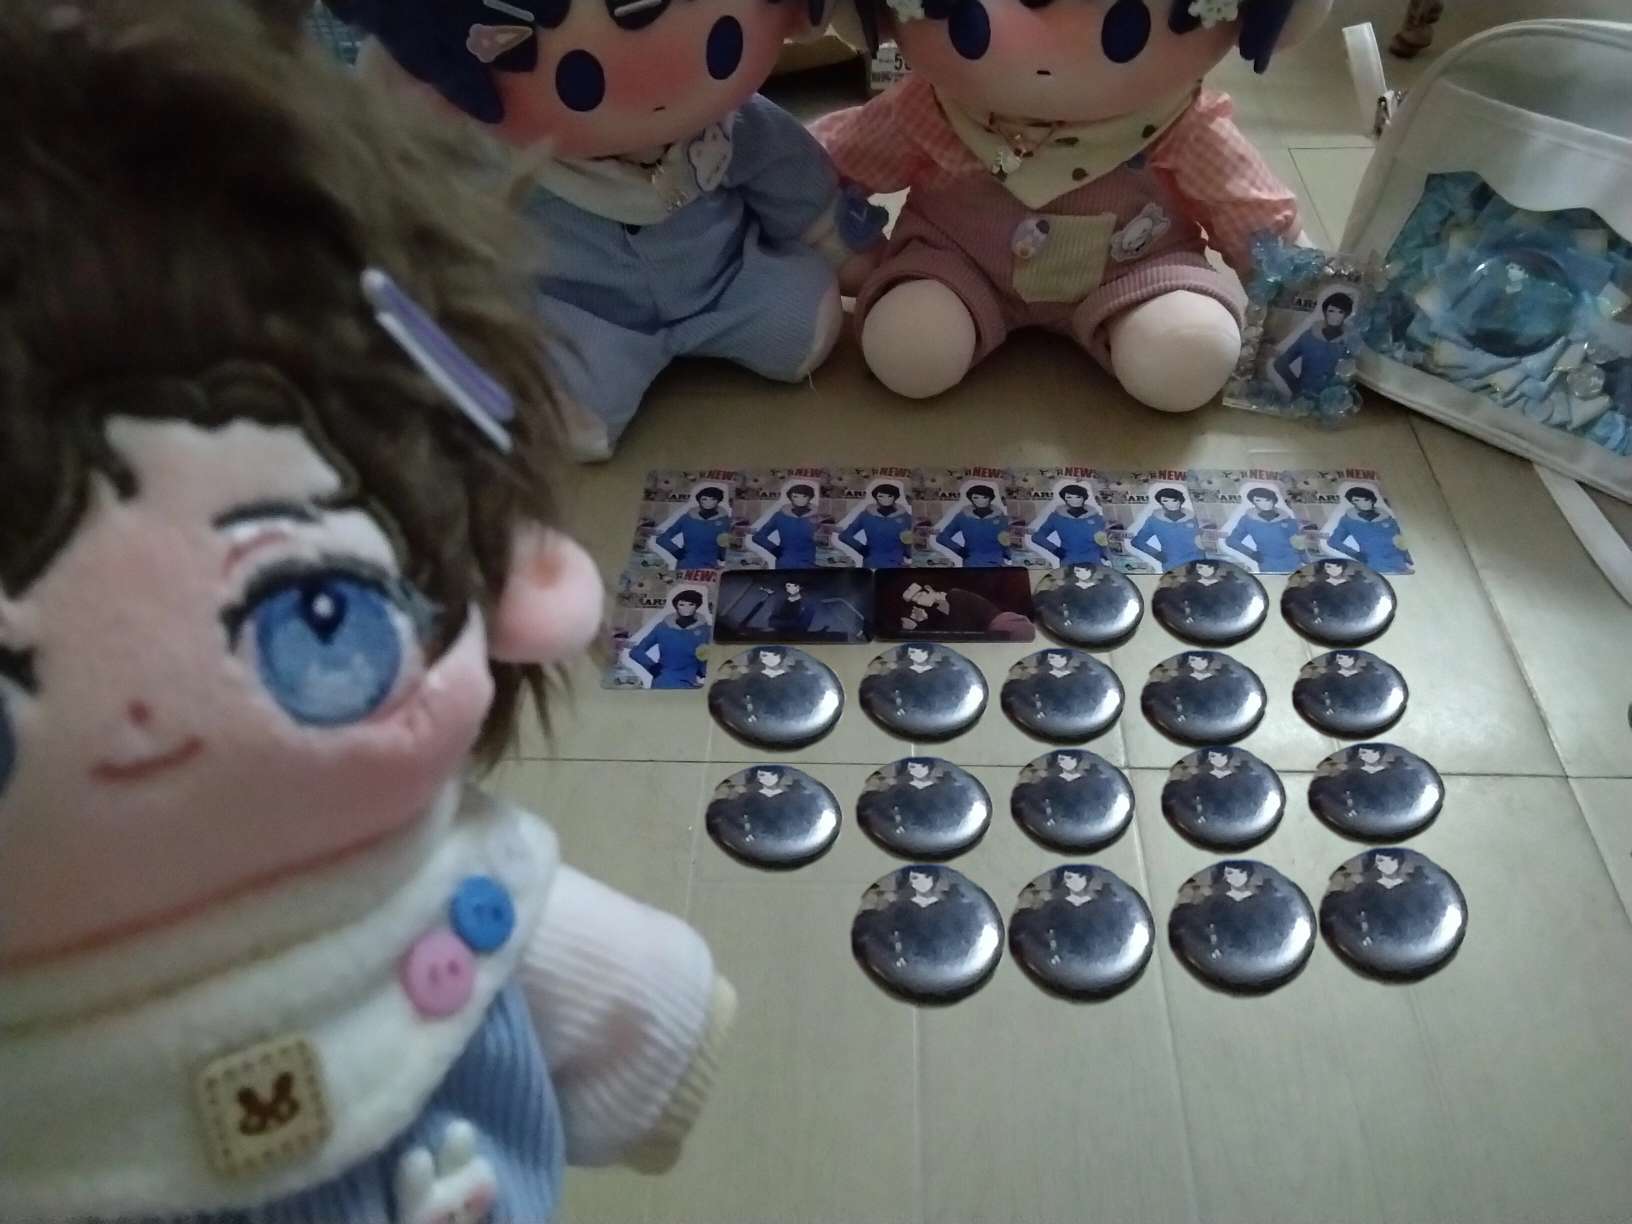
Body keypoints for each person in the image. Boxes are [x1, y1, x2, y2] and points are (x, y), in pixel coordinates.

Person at [0, 8, 733, 1217]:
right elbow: (644, 1020)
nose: (142, 721)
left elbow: (607, 990)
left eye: (318, 620)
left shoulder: (436, 885)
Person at [1273, 293, 1355, 398]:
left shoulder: (1349, 341)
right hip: (1303, 399)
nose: (1335, 316)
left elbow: (1351, 374)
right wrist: (1296, 387)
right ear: (1325, 312)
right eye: (1331, 311)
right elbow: (1280, 363)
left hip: (1332, 401)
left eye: (1340, 312)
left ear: (1346, 315)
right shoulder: (1309, 336)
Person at [627, 590, 711, 689]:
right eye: (681, 604)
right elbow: (636, 651)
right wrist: (652, 667)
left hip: (689, 683)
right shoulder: (663, 628)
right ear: (676, 606)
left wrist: (703, 671)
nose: (686, 608)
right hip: (663, 681)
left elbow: (710, 656)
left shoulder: (706, 630)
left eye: (691, 604)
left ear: (697, 606)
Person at [1329, 487, 1413, 571]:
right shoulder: (1348, 520)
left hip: (1398, 564)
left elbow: (1400, 541)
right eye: (1357, 500)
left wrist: (1408, 558)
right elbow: (1333, 541)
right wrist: (1355, 554)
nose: (1363, 503)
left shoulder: (1389, 519)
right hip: (1373, 565)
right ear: (1352, 502)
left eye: (1366, 499)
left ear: (1372, 500)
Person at [1224, 486, 1303, 572]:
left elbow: (1299, 545)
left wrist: (1308, 562)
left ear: (1274, 501)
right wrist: (1251, 554)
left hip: (1293, 563)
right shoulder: (1248, 520)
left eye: (1267, 500)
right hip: (1268, 564)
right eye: (1258, 500)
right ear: (1253, 502)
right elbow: (1231, 540)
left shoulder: (1288, 519)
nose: (1264, 503)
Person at [838, 483, 914, 569]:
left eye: (890, 496)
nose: (885, 499)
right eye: (881, 496)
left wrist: (908, 553)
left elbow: (909, 541)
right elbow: (845, 535)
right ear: (875, 497)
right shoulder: (866, 515)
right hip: (873, 563)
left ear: (895, 497)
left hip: (895, 563)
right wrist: (861, 549)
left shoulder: (905, 517)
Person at [1030, 484, 1108, 567]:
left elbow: (1103, 541)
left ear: (1084, 498)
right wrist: (1055, 549)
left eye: (1078, 497)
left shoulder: (1097, 518)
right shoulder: (1057, 517)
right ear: (1064, 499)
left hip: (1094, 561)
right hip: (1069, 561)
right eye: (1069, 497)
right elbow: (1037, 537)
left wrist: (1106, 557)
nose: (1074, 500)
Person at [655, 486, 730, 570]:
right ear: (699, 500)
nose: (708, 502)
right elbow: (662, 539)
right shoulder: (687, 518)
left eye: (713, 499)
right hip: (686, 566)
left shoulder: (725, 521)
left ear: (718, 500)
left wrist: (723, 559)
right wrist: (676, 551)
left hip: (710, 568)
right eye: (704, 499)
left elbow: (724, 546)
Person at [935, 484, 1010, 567]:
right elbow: (942, 537)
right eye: (976, 497)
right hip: (972, 563)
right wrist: (959, 550)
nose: (980, 501)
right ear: (970, 499)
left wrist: (1011, 557)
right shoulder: (963, 517)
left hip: (996, 563)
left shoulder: (1000, 517)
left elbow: (1005, 540)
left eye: (985, 497)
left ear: (991, 498)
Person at [1130, 486, 1202, 570]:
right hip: (1172, 566)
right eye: (1165, 501)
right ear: (1161, 503)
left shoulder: (1194, 518)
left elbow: (1207, 539)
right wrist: (1156, 554)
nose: (1171, 504)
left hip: (1197, 564)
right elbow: (1138, 541)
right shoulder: (1154, 520)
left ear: (1180, 501)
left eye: (1174, 500)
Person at [751, 484, 821, 569]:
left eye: (804, 496)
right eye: (795, 496)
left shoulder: (819, 516)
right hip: (784, 563)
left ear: (810, 497)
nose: (800, 500)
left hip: (810, 564)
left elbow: (826, 538)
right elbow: (758, 536)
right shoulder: (780, 516)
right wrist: (773, 549)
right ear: (790, 498)